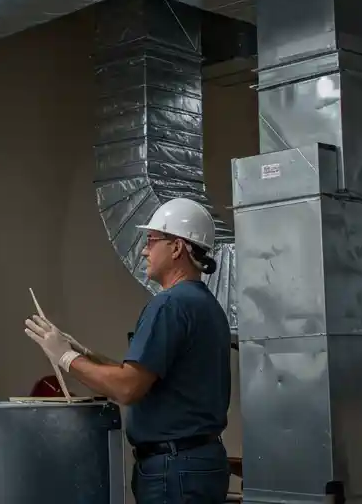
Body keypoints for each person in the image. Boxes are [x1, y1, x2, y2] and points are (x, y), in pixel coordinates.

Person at [24, 198, 232, 504]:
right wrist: (84, 353)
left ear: (177, 248)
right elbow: (144, 375)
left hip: (173, 471)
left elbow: (127, 387)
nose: (145, 250)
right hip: (200, 464)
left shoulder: (170, 305)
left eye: (151, 240)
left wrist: (65, 359)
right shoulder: (206, 306)